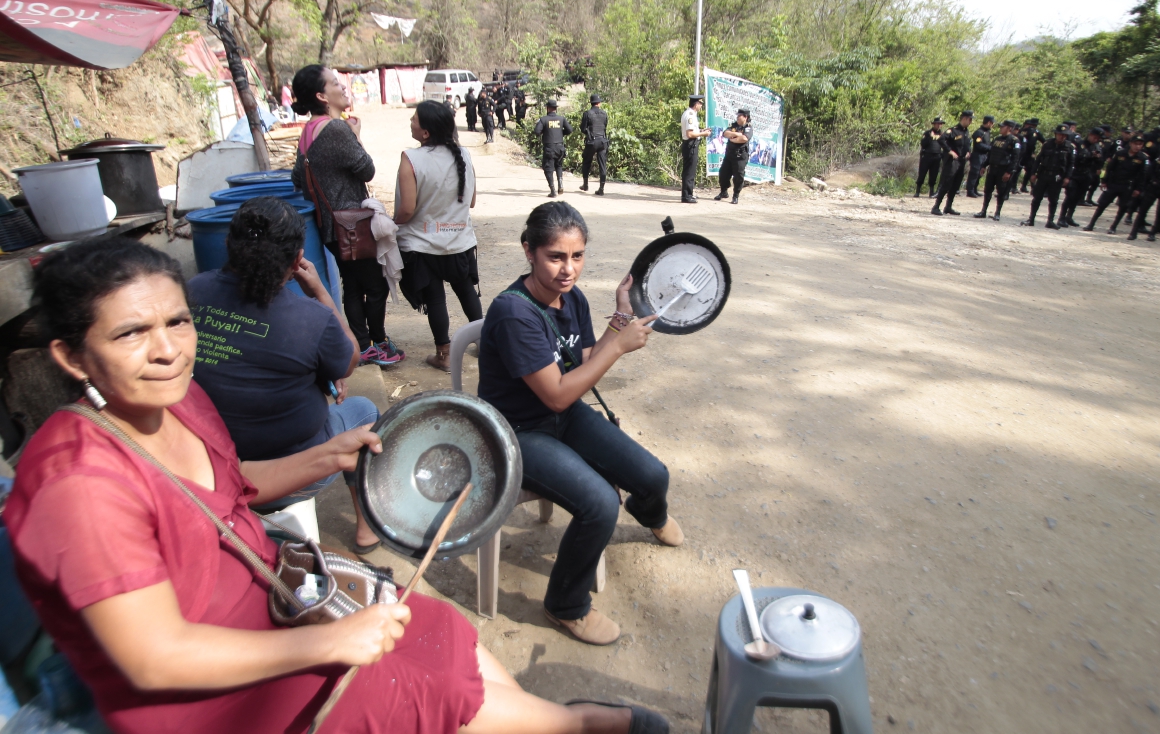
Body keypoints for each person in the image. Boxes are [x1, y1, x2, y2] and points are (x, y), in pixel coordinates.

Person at [5, 235, 667, 734]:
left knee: (436, 629)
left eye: (177, 322)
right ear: (70, 354)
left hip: (275, 590)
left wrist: (329, 456)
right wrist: (331, 640)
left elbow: (231, 487)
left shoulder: (175, 400)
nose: (168, 350)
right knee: (419, 688)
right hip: (212, 692)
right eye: (132, 333)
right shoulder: (78, 484)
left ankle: (562, 717)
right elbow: (156, 658)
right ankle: (575, 722)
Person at [477, 202, 682, 646]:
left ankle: (651, 513)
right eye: (555, 256)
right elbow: (557, 392)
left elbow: (582, 359)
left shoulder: (572, 298)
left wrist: (621, 314)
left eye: (577, 256)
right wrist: (620, 347)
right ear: (528, 251)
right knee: (600, 504)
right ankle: (565, 605)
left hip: (562, 416)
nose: (568, 269)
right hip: (517, 432)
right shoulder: (515, 313)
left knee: (652, 475)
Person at [188, 197, 382, 553]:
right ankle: (367, 527)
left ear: (229, 245)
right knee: (365, 411)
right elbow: (350, 358)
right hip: (294, 470)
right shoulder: (310, 318)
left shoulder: (192, 292)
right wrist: (320, 291)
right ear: (296, 260)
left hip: (211, 464)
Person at [290, 64, 403, 368]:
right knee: (375, 286)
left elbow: (297, 179)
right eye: (335, 84)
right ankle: (376, 343)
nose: (342, 88)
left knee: (352, 286)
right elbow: (366, 169)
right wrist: (355, 135)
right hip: (353, 226)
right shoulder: (337, 129)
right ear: (321, 95)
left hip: (329, 226)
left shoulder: (307, 132)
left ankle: (364, 343)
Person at [394, 101, 483, 372]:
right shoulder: (464, 155)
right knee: (466, 291)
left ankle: (443, 357)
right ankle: (485, 344)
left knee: (435, 300)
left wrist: (390, 222)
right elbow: (472, 202)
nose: (411, 120)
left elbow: (406, 210)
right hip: (459, 241)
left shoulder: (411, 159)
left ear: (425, 133)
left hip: (423, 246)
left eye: (415, 119)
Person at [1083, 134, 1148, 234]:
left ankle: (1113, 227)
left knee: (1123, 207)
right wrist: (1104, 181)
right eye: (1136, 144)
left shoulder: (1142, 158)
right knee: (1102, 205)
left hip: (1128, 186)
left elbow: (1143, 176)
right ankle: (1091, 224)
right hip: (1114, 184)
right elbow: (1110, 168)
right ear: (1131, 144)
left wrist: (1138, 189)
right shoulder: (1120, 153)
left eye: (1140, 144)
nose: (1138, 146)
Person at [1021, 124, 1075, 229]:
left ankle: (1050, 221)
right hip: (1043, 175)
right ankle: (1031, 219)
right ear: (1056, 134)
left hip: (1057, 177)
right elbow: (1038, 160)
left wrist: (1067, 177)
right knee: (1037, 198)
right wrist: (1033, 173)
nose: (1062, 137)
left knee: (1054, 200)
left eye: (1064, 135)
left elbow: (1071, 164)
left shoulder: (1069, 147)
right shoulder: (1047, 144)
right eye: (1060, 134)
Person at [972, 120, 1020, 221]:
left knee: (1001, 192)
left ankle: (997, 212)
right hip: (992, 168)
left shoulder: (1014, 140)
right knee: (987, 190)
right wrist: (984, 166)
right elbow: (991, 154)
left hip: (1003, 170)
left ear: (1009, 128)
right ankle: (983, 211)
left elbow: (1015, 158)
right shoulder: (997, 139)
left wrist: (1009, 172)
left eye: (1003, 127)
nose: (1000, 128)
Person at [1058, 127, 1104, 228]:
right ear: (1090, 135)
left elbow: (1100, 162)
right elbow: (1074, 158)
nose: (1096, 140)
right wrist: (1089, 155)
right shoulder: (1078, 144)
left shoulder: (1097, 147)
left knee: (1078, 197)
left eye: (1098, 138)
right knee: (1070, 196)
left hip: (1086, 175)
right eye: (1095, 137)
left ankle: (1069, 216)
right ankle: (1061, 217)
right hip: (1075, 174)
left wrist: (1097, 158)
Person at [932, 110, 972, 215]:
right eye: (970, 119)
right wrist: (949, 151)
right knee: (946, 184)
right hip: (952, 162)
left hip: (961, 161)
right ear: (964, 118)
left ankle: (948, 207)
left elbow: (967, 144)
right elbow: (941, 140)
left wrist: (968, 152)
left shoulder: (966, 132)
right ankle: (936, 206)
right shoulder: (953, 131)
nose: (971, 122)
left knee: (955, 185)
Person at [533, 99, 572, 197]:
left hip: (549, 148)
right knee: (558, 166)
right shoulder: (561, 119)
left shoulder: (543, 119)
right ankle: (560, 184)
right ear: (555, 108)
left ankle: (553, 190)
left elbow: (537, 131)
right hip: (560, 147)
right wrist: (561, 133)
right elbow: (570, 130)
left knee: (548, 169)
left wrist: (544, 131)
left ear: (548, 108)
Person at [715, 108, 752, 205]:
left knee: (738, 176)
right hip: (730, 154)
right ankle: (723, 192)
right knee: (723, 173)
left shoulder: (748, 128)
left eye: (739, 116)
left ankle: (735, 196)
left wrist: (733, 139)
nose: (737, 117)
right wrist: (736, 134)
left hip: (740, 155)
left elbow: (744, 138)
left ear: (745, 117)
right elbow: (725, 133)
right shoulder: (734, 125)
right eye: (737, 116)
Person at [680, 94, 711, 204]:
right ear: (696, 104)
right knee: (689, 171)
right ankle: (687, 196)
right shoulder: (690, 115)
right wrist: (703, 134)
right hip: (690, 144)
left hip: (691, 144)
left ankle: (688, 193)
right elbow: (690, 134)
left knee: (689, 171)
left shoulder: (690, 114)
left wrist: (702, 130)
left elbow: (693, 130)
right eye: (700, 103)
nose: (701, 106)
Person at [579, 94, 608, 196]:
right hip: (603, 141)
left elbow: (583, 129)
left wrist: (588, 133)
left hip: (592, 141)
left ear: (591, 103)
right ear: (599, 103)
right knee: (602, 165)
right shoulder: (604, 114)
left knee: (586, 161)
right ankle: (601, 188)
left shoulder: (587, 113)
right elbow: (605, 127)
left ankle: (585, 185)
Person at [913, 117, 944, 198]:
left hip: (937, 156)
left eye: (940, 124)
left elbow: (944, 145)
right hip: (927, 156)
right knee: (922, 173)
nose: (939, 125)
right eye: (938, 123)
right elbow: (923, 144)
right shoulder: (927, 133)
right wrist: (929, 137)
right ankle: (918, 191)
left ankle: (931, 192)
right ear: (934, 124)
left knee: (934, 174)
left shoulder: (942, 134)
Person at [965, 114, 994, 198]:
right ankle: (970, 190)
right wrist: (990, 148)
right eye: (992, 123)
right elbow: (979, 145)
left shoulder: (987, 132)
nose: (993, 125)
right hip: (977, 155)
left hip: (984, 156)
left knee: (980, 173)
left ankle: (975, 189)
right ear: (988, 122)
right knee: (974, 173)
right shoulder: (979, 132)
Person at [1015, 118, 1044, 194]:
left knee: (1018, 170)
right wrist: (1032, 153)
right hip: (1028, 154)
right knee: (1031, 170)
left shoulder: (1021, 130)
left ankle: (1016, 186)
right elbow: (1033, 143)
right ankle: (1031, 188)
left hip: (1020, 152)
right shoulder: (1034, 132)